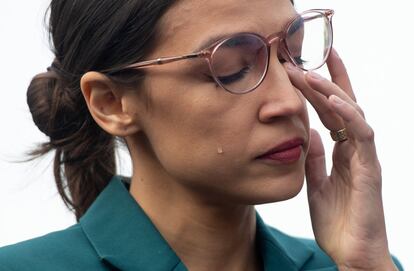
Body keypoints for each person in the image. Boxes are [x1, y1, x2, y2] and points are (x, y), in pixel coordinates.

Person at [0, 0, 404, 270]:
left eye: (292, 56)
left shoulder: (354, 264)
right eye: (231, 68)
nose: (290, 101)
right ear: (111, 103)